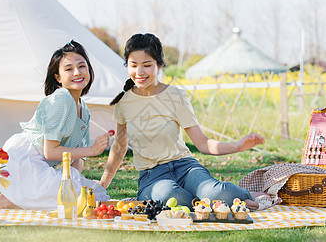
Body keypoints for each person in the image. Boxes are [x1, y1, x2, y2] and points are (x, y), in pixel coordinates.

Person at [99, 33, 267, 210]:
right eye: (133, 65)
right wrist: (103, 182)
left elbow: (202, 143)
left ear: (160, 65)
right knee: (171, 197)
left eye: (147, 65)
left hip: (186, 168)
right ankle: (214, 201)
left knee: (213, 192)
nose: (139, 72)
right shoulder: (124, 103)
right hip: (152, 176)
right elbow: (119, 145)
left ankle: (227, 196)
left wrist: (237, 146)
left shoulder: (175, 96)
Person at [0, 41, 111, 210]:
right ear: (58, 77)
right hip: (21, 161)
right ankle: (7, 199)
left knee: (88, 196)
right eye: (68, 69)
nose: (77, 72)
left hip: (39, 165)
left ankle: (12, 198)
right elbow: (50, 152)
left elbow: (77, 160)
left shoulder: (84, 109)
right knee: (82, 198)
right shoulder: (61, 99)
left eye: (82, 66)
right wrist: (92, 149)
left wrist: (72, 181)